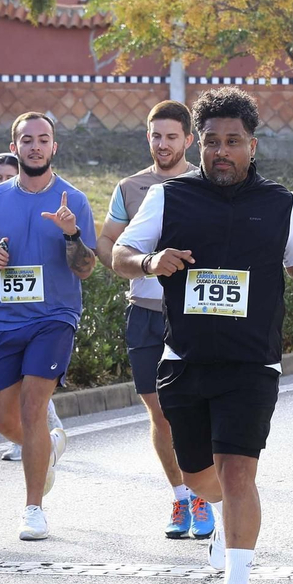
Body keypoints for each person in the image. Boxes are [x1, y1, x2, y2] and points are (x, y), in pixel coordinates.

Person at [112, 87, 293, 584]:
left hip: (252, 362)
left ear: (252, 145)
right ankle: (225, 516)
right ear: (199, 144)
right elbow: (121, 255)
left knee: (239, 472)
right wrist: (151, 261)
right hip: (186, 357)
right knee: (201, 475)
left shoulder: (278, 203)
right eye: (212, 142)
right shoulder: (169, 198)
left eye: (233, 141)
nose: (221, 151)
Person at [0, 111, 98, 542]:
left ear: (54, 147)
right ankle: (46, 447)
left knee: (33, 407)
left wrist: (71, 234)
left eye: (43, 140)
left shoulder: (73, 200)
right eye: (27, 140)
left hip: (55, 317)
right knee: (4, 421)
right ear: (15, 146)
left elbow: (86, 269)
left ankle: (33, 509)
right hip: (6, 317)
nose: (35, 146)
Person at [96, 100, 216, 541]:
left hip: (195, 315)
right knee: (160, 414)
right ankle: (182, 496)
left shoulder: (206, 184)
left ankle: (204, 493)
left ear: (188, 140)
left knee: (194, 411)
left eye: (171, 137)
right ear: (147, 137)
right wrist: (135, 265)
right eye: (156, 136)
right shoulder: (130, 187)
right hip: (145, 314)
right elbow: (108, 243)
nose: (163, 144)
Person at [0, 152, 30, 463]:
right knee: (6, 374)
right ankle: (26, 435)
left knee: (30, 375)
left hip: (32, 305)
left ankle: (39, 433)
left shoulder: (32, 204)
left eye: (8, 177)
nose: (2, 182)